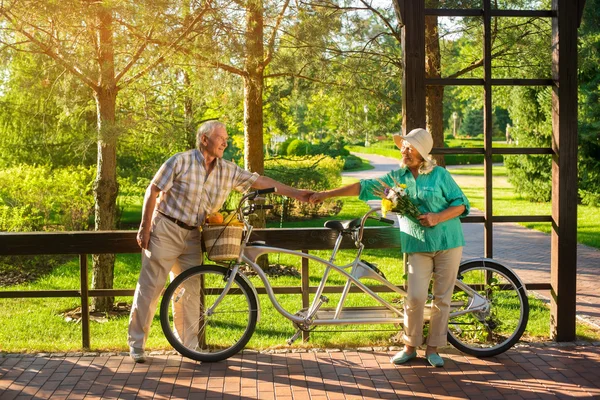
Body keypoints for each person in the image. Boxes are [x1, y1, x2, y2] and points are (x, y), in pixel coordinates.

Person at [128, 120, 313, 363]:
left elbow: (261, 182)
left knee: (191, 293)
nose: (225, 142)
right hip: (165, 228)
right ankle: (137, 345)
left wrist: (297, 193)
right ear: (204, 139)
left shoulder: (227, 169)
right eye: (220, 137)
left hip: (195, 233)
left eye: (226, 137)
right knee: (151, 288)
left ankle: (189, 346)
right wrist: (144, 227)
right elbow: (152, 190)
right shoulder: (180, 161)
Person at [309, 128, 469, 368]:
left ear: (422, 153)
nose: (404, 150)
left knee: (442, 298)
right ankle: (410, 346)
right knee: (415, 297)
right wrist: (326, 194)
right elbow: (363, 186)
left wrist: (437, 217)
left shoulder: (440, 176)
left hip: (448, 242)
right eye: (403, 146)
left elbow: (461, 204)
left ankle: (434, 349)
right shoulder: (397, 179)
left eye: (409, 147)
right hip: (417, 243)